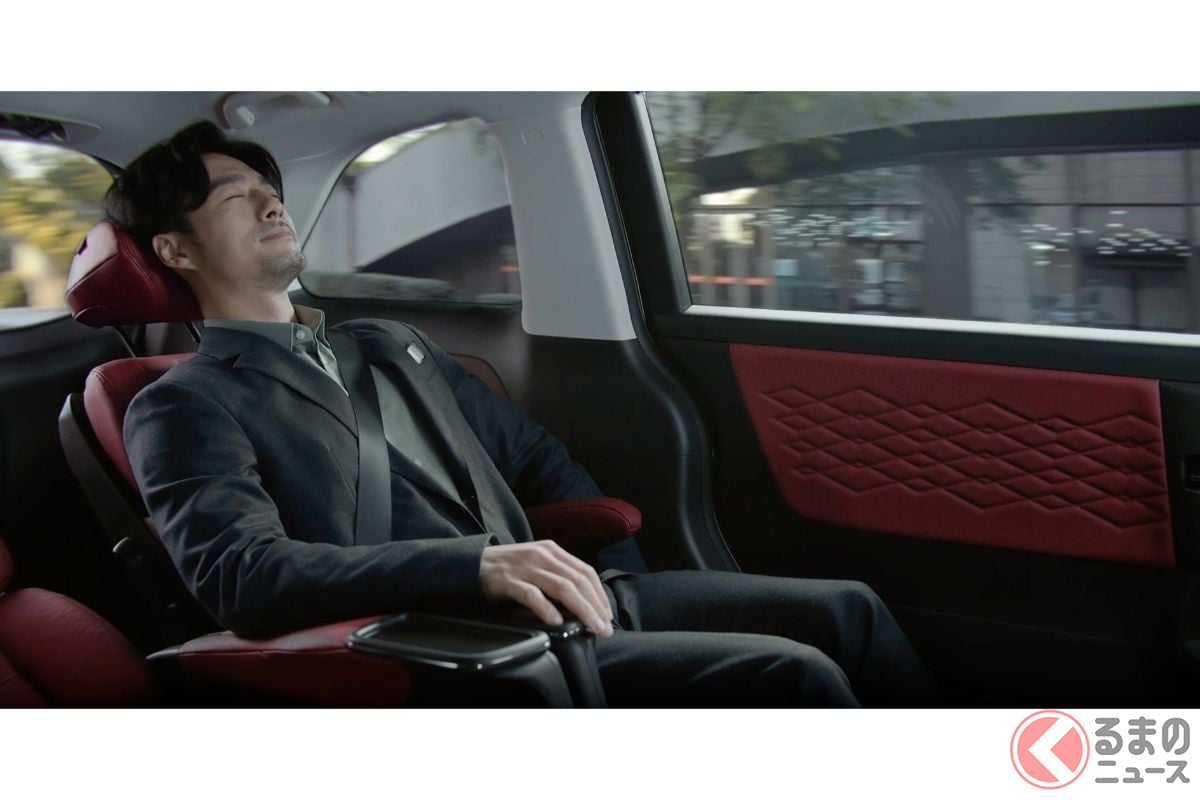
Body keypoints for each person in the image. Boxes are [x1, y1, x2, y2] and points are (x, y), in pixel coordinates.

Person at [117, 121, 940, 707]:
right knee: (794, 674)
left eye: (271, 192)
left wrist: (611, 578)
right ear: (176, 250)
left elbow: (535, 456)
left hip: (572, 600)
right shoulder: (183, 403)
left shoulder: (389, 344)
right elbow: (245, 578)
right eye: (236, 198)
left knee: (849, 609)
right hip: (451, 641)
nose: (271, 206)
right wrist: (475, 566)